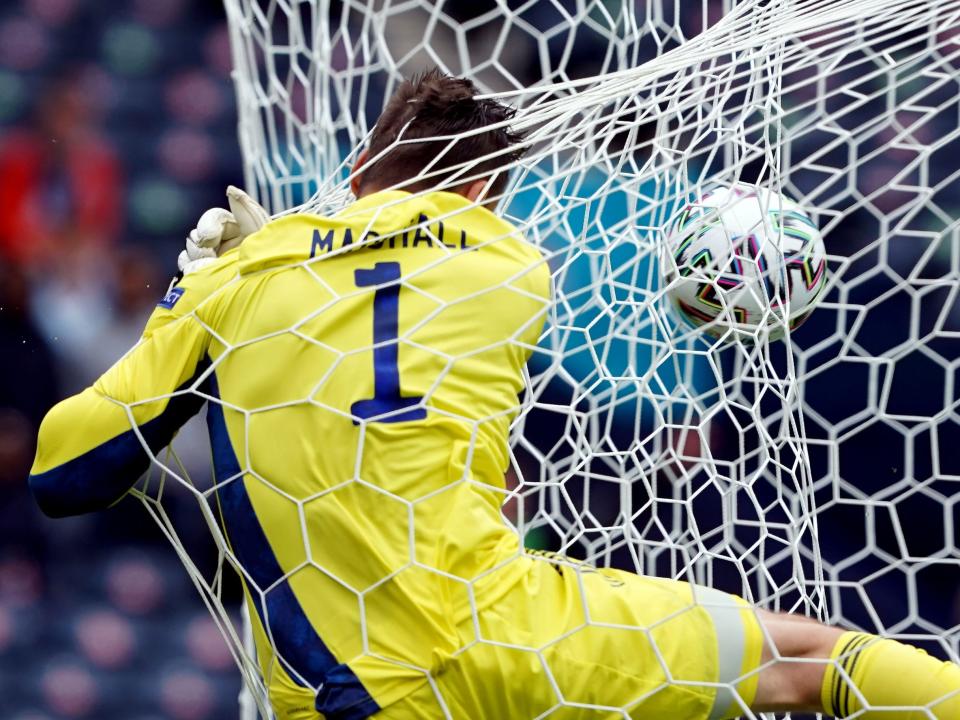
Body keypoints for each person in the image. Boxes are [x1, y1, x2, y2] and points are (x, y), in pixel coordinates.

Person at [28, 69, 960, 720]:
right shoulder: (513, 263)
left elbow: (66, 473)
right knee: (808, 663)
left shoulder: (245, 283)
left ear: (357, 175)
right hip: (517, 631)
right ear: (488, 191)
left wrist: (190, 302)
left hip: (348, 689)